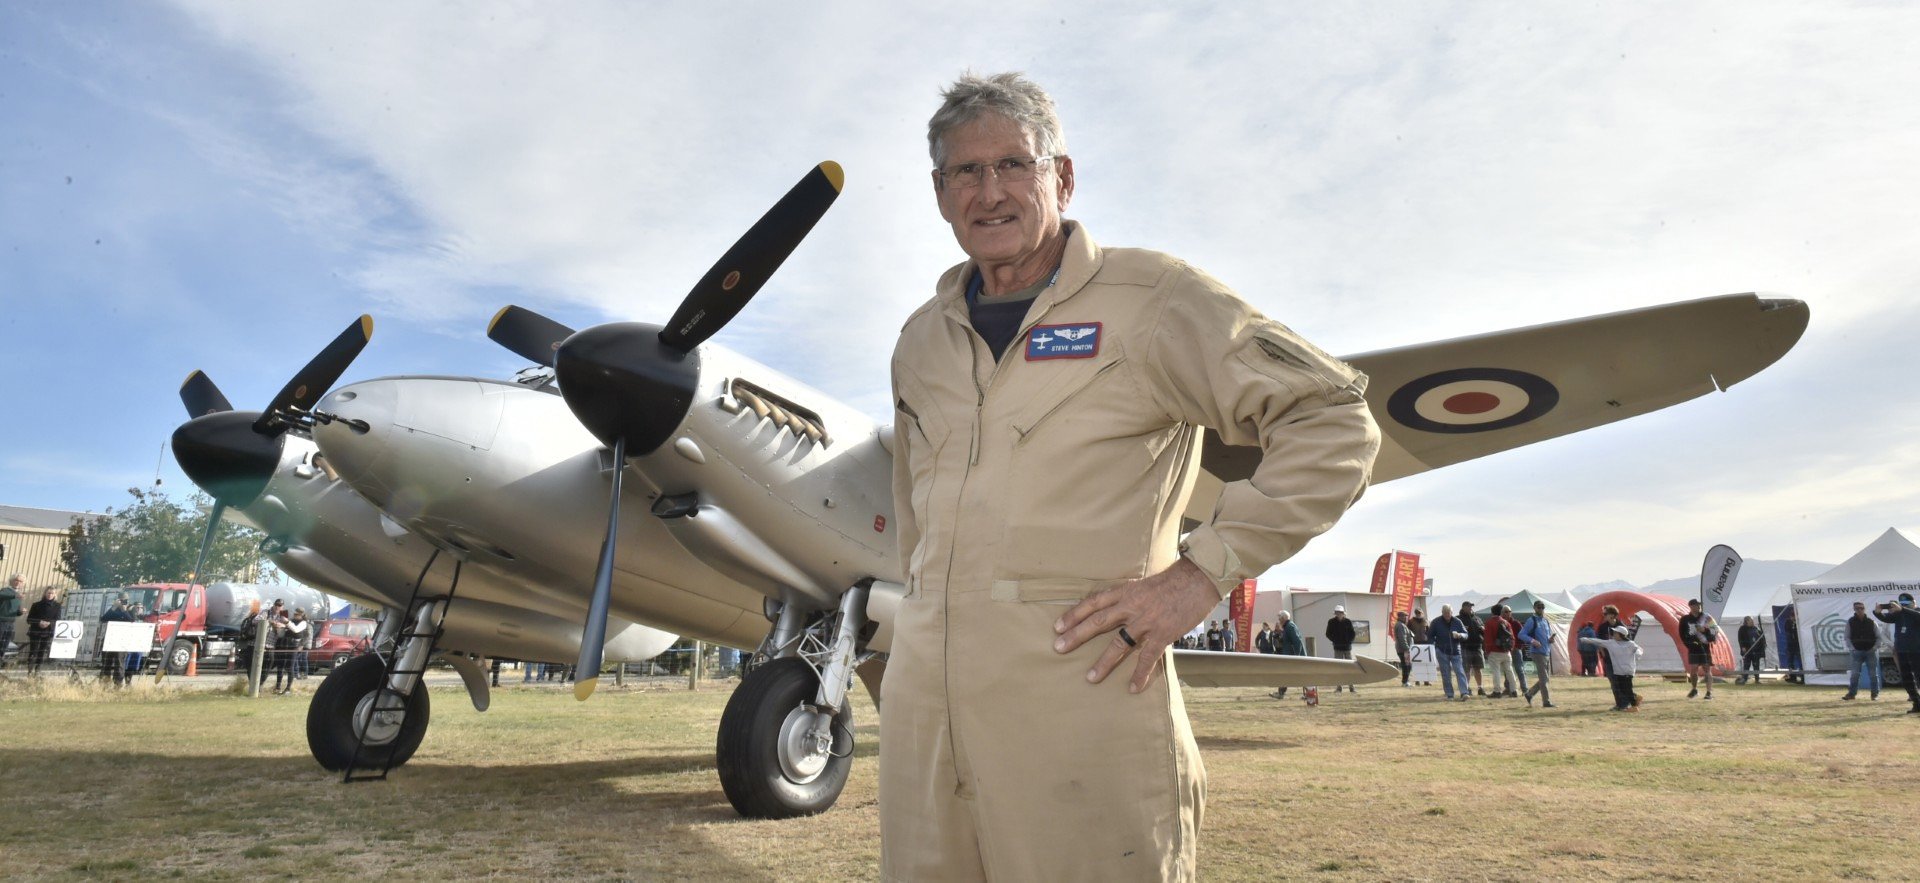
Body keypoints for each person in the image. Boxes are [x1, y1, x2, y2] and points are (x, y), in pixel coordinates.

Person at [883, 71, 1381, 882]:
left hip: (1084, 707)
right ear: (940, 194)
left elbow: (1334, 421)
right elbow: (916, 524)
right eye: (965, 173)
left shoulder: (1153, 298)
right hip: (925, 736)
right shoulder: (920, 342)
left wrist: (1199, 574)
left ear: (1063, 177)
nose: (990, 191)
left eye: (1014, 164)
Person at [1872, 594, 1920, 714]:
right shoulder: (1899, 614)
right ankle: (1916, 703)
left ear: (1914, 603)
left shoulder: (1916, 612)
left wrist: (1903, 609)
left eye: (1906, 604)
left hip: (1917, 650)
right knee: (1906, 678)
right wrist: (1878, 612)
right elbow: (1886, 618)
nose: (1903, 607)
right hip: (1901, 650)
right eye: (1902, 604)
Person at [1581, 625, 1644, 711]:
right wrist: (1586, 640)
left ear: (1621, 634)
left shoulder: (1630, 644)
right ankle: (1636, 697)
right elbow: (1599, 642)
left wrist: (1638, 654)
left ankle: (1634, 706)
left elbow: (1639, 649)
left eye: (1615, 633)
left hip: (1628, 671)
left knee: (1627, 689)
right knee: (1622, 689)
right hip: (1618, 671)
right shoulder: (1611, 643)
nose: (1613, 634)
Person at [1429, 605, 1470, 701]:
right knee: (1446, 673)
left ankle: (1464, 693)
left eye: (1449, 613)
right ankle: (1449, 694)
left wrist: (1460, 635)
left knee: (1460, 672)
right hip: (1442, 651)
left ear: (1452, 612)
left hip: (1456, 651)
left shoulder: (1457, 621)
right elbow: (1430, 636)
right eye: (1445, 613)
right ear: (1442, 612)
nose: (1447, 615)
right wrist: (1435, 647)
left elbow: (1466, 634)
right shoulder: (1436, 622)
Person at [1842, 600, 1882, 701]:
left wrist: (1875, 647)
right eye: (1857, 608)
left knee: (1873, 674)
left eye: (1862, 608)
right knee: (1855, 674)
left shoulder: (1872, 622)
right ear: (1854, 609)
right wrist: (1852, 648)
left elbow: (1878, 637)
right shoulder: (1850, 622)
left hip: (1871, 651)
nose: (1860, 610)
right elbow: (1847, 637)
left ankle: (1874, 694)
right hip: (1856, 652)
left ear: (1864, 609)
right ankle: (1852, 694)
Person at [1678, 598, 1717, 700]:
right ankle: (1694, 689)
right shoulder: (1685, 619)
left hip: (1705, 647)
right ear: (1690, 606)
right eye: (1696, 605)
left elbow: (1715, 630)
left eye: (1699, 605)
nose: (1698, 607)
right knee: (1693, 669)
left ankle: (1709, 692)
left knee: (1707, 669)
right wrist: (1689, 645)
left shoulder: (1707, 617)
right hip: (1693, 648)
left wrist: (1704, 630)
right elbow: (1682, 634)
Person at [1519, 600, 1556, 708]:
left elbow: (1547, 637)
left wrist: (1550, 640)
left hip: (1546, 652)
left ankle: (1529, 694)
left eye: (1542, 607)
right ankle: (1546, 702)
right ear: (1534, 608)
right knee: (1544, 679)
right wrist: (1532, 641)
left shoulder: (1545, 621)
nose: (1541, 609)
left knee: (1545, 678)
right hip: (1537, 653)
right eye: (1539, 607)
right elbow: (1521, 634)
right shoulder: (1532, 620)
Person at [98, 595, 137, 687]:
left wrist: (124, 610)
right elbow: (103, 619)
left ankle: (118, 684)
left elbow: (131, 620)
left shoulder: (131, 609)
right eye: (121, 600)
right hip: (110, 639)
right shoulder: (113, 609)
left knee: (119, 662)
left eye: (125, 600)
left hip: (122, 640)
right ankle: (105, 682)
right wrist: (113, 608)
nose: (123, 602)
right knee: (106, 662)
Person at [1482, 604, 1516, 699]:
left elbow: (1487, 639)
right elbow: (1512, 637)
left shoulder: (1489, 623)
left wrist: (1488, 651)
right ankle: (1514, 690)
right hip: (1506, 651)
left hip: (1494, 651)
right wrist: (1510, 649)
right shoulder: (1506, 623)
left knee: (1496, 672)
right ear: (1501, 612)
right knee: (1509, 671)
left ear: (1492, 612)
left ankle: (1497, 691)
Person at [25, 587, 60, 675]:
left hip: (48, 632)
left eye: (52, 593)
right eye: (48, 593)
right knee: (33, 650)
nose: (50, 595)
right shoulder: (36, 605)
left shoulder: (57, 606)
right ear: (45, 593)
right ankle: (30, 670)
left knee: (42, 651)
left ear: (55, 595)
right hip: (35, 631)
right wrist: (39, 622)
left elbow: (58, 620)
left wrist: (49, 623)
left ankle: (38, 669)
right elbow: (29, 619)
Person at [1325, 605, 1358, 692]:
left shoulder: (1348, 622)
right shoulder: (1331, 622)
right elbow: (1328, 633)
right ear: (1335, 613)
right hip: (1337, 648)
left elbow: (1353, 634)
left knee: (1350, 667)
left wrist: (1349, 641)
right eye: (1337, 612)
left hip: (1347, 648)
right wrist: (1335, 640)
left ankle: (1352, 687)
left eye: (1340, 612)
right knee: (1338, 667)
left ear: (1343, 613)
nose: (1339, 614)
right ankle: (1339, 687)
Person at [1458, 602, 1486, 696]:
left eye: (1471, 607)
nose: (1470, 608)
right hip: (1465, 647)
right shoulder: (1458, 619)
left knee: (1478, 669)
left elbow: (1483, 631)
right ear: (1464, 607)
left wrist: (1483, 629)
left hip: (1477, 647)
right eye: (1469, 606)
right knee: (1466, 669)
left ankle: (1480, 688)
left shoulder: (1477, 618)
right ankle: (1466, 688)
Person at [1502, 605, 1529, 699]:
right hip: (1506, 651)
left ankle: (1525, 689)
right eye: (1505, 611)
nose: (1507, 613)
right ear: (1501, 613)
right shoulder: (1501, 623)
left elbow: (1523, 635)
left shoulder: (1516, 623)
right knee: (1507, 670)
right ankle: (1508, 688)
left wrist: (1518, 646)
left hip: (1516, 650)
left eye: (1508, 611)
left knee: (1519, 670)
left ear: (1511, 612)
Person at [268, 608, 297, 694]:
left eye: (285, 616)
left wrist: (285, 625)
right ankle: (278, 687)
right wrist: (278, 626)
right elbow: (279, 635)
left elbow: (296, 631)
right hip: (281, 646)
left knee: (290, 668)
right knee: (280, 668)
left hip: (291, 648)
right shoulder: (278, 622)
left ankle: (288, 688)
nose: (283, 617)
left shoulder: (293, 624)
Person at [1735, 615, 1766, 685]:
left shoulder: (1756, 628)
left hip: (1756, 651)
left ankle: (1757, 679)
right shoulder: (1742, 629)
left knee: (1756, 665)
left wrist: (1762, 647)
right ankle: (1744, 679)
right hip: (1747, 650)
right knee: (1747, 665)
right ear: (1746, 621)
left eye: (1752, 620)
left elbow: (1761, 638)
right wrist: (1742, 647)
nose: (1752, 622)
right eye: (1750, 620)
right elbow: (1740, 639)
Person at [0, 574, 22, 670]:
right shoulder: (5, 590)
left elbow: (15, 611)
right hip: (1, 621)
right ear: (12, 580)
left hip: (11, 623)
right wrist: (14, 595)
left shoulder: (19, 595)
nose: (18, 582)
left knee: (4, 645)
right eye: (17, 580)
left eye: (21, 581)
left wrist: (20, 612)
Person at [288, 609, 312, 680]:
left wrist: (301, 645)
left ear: (301, 615)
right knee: (296, 659)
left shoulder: (306, 624)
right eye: (294, 614)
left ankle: (304, 674)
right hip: (300, 644)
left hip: (305, 645)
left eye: (296, 614)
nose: (294, 615)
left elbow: (307, 636)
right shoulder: (297, 622)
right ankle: (297, 674)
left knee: (303, 659)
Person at [1408, 609, 1431, 685]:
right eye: (1417, 613)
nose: (1418, 614)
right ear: (1415, 613)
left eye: (1420, 613)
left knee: (1425, 663)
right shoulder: (1411, 621)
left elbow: (1429, 632)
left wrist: (1430, 642)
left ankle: (1426, 681)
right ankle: (1417, 680)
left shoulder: (1426, 621)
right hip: (1415, 644)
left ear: (1422, 613)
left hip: (1425, 644)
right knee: (1417, 663)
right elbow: (1408, 632)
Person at [1393, 611, 1413, 687]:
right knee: (1406, 665)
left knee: (1407, 665)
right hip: (1404, 650)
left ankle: (1406, 681)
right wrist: (1407, 649)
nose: (1406, 618)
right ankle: (1405, 682)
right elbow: (1402, 638)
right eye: (1405, 616)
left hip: (1402, 649)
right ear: (1400, 617)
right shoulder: (1401, 625)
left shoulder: (1401, 625)